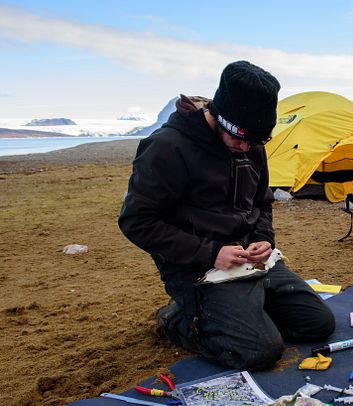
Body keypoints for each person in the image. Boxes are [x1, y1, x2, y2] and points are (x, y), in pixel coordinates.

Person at [118, 61, 335, 370]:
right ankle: (178, 319)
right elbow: (136, 221)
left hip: (250, 260)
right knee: (260, 351)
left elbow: (261, 203)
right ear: (219, 118)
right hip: (196, 268)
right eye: (240, 138)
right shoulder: (168, 147)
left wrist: (263, 238)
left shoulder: (251, 144)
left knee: (318, 323)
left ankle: (244, 312)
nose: (246, 147)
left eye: (256, 142)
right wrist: (210, 253)